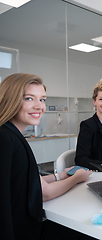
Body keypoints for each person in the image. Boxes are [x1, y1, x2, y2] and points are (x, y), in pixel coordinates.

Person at [0, 73, 92, 239]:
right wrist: (75, 178)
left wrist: (60, 176)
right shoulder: (6, 139)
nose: (39, 106)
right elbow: (45, 193)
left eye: (42, 99)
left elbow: (25, 181)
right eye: (29, 98)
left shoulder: (12, 136)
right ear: (10, 99)